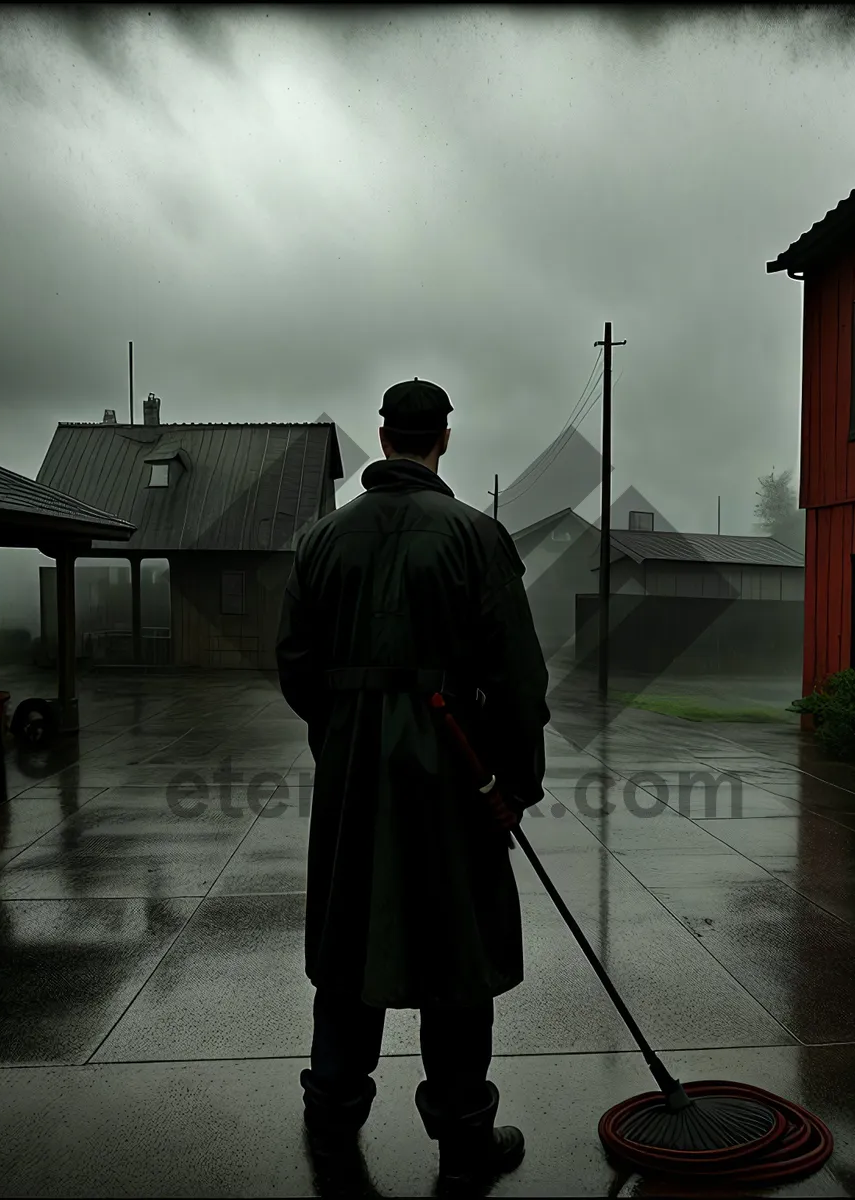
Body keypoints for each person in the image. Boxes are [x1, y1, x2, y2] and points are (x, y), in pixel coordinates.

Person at [275, 378, 551, 1191]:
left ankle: (331, 1113)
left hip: (355, 775)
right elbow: (519, 680)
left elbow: (295, 667)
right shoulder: (477, 536)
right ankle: (465, 1132)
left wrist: (346, 733)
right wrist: (514, 783)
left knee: (349, 935)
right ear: (443, 440)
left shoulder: (321, 541)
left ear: (386, 435)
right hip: (454, 774)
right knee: (456, 944)